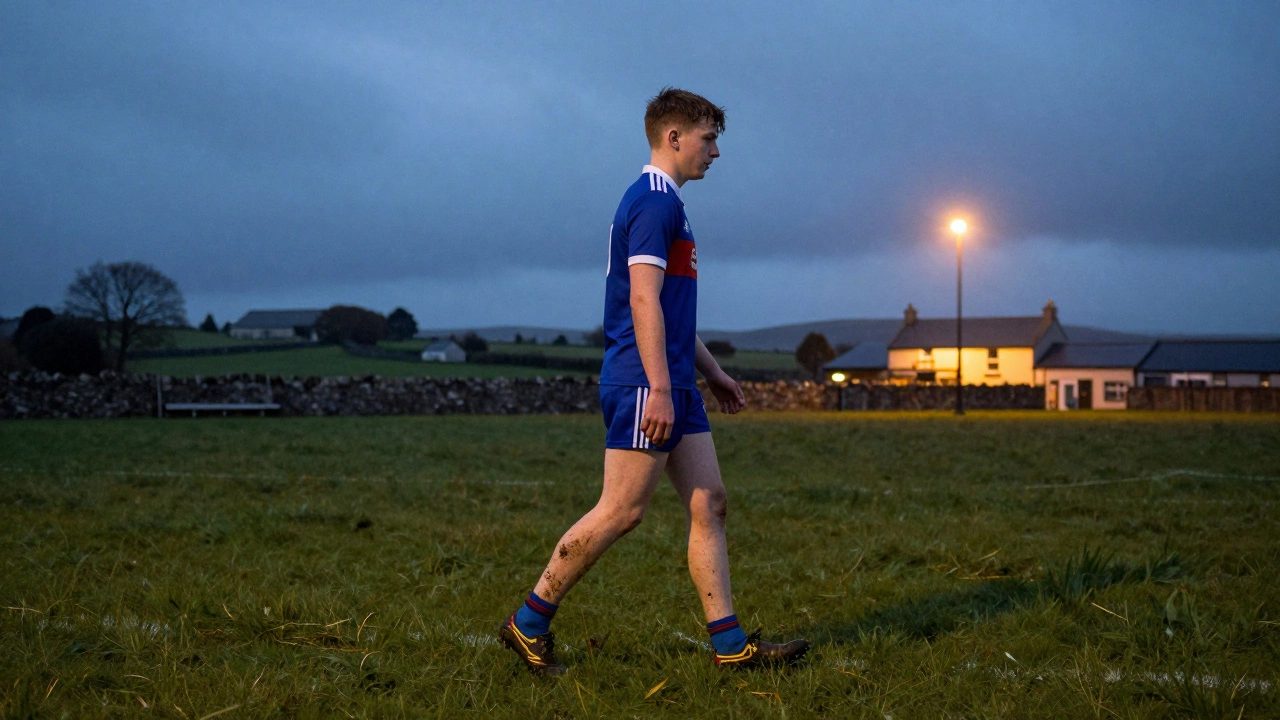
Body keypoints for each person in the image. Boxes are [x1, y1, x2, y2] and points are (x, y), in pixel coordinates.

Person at [500, 87, 809, 675]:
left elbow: (668, 309)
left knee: (710, 503)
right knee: (621, 510)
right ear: (673, 137)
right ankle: (528, 622)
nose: (716, 152)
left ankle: (730, 646)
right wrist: (662, 388)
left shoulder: (672, 204)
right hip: (645, 383)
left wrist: (712, 373)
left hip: (671, 383)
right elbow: (643, 299)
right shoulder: (652, 201)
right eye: (708, 138)